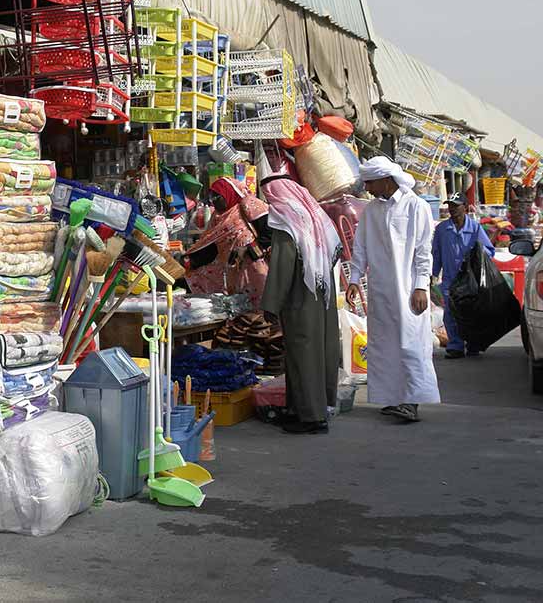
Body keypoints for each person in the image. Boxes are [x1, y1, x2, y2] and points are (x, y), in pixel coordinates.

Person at [347, 157, 439, 423]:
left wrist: (421, 286)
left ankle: (411, 401)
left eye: (371, 182)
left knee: (410, 343)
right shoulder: (371, 211)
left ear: (386, 179)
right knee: (384, 345)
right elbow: (360, 248)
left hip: (408, 288)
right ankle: (392, 398)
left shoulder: (416, 207)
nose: (368, 188)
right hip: (381, 290)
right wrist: (354, 278)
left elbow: (423, 251)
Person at [261, 176, 343, 434]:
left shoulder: (287, 223)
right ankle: (303, 409)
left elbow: (282, 267)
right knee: (318, 353)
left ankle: (312, 417)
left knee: (303, 355)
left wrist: (270, 304)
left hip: (300, 297)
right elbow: (335, 253)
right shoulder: (316, 217)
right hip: (322, 296)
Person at [186, 178, 272, 308]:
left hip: (257, 269)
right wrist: (190, 261)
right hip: (234, 273)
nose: (214, 201)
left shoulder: (248, 204)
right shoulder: (217, 218)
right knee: (242, 313)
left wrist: (248, 249)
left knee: (261, 310)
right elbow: (211, 247)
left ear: (229, 193)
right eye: (211, 197)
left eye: (217, 196)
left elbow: (270, 232)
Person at [432, 193, 495, 358]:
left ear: (465, 208)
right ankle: (455, 346)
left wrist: (477, 253)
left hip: (470, 280)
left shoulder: (474, 228)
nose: (452, 209)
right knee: (450, 314)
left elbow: (489, 251)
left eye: (456, 205)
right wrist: (432, 274)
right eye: (450, 205)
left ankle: (473, 344)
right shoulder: (442, 229)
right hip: (450, 279)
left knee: (471, 313)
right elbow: (436, 253)